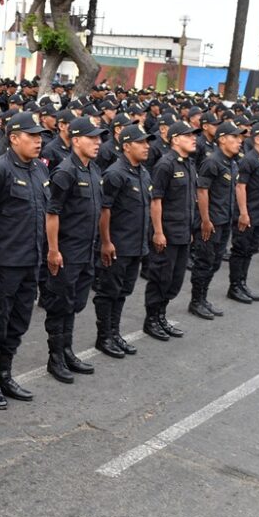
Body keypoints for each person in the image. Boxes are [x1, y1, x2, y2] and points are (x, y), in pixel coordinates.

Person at [0, 111, 49, 410]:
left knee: (19, 322)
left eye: (40, 136)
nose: (38, 141)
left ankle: (5, 374)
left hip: (31, 260)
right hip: (3, 263)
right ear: (14, 138)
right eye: (32, 136)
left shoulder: (40, 170)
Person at [40, 116, 104, 382]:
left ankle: (67, 350)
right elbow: (52, 213)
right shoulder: (65, 171)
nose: (98, 142)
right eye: (92, 138)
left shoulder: (93, 169)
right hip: (66, 251)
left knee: (74, 303)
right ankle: (55, 358)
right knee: (59, 305)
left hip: (85, 251)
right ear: (76, 140)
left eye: (99, 138)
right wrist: (53, 250)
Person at [94, 124, 153, 358]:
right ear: (127, 146)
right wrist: (106, 242)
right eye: (141, 142)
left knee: (123, 291)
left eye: (147, 142)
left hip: (136, 245)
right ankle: (103, 337)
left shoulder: (143, 172)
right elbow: (104, 210)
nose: (146, 146)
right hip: (117, 245)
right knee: (108, 291)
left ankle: (114, 332)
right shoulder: (115, 174)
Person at [144, 120, 198, 338]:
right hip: (166, 233)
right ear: (175, 140)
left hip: (182, 232)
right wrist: (158, 232)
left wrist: (189, 230)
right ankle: (151, 319)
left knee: (175, 279)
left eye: (194, 135)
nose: (194, 138)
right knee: (160, 277)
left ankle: (161, 315)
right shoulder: (165, 165)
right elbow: (156, 201)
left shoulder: (189, 164)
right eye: (188, 135)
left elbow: (188, 201)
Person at [189, 120, 241, 318]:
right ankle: (196, 301)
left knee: (215, 262)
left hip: (224, 219)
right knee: (204, 261)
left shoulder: (231, 162)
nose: (239, 141)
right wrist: (205, 220)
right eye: (234, 137)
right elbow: (202, 191)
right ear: (222, 140)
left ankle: (203, 298)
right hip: (210, 222)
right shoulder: (213, 161)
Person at [228, 120, 259, 304]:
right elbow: (240, 187)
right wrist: (243, 213)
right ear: (257, 139)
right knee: (240, 250)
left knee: (249, 250)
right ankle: (234, 286)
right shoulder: (250, 159)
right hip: (248, 213)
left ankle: (242, 283)